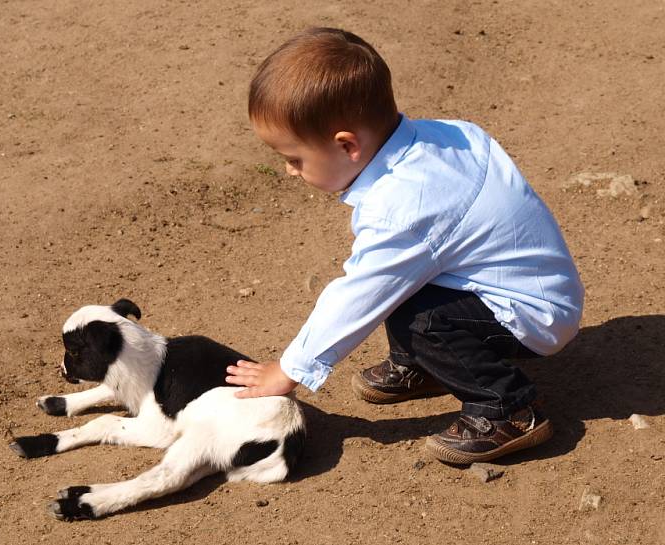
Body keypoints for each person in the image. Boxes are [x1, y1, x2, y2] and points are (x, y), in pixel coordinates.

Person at [225, 27, 584, 464]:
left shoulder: (404, 209)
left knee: (422, 319)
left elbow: (358, 296)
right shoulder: (446, 135)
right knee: (409, 288)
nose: (289, 171)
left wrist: (290, 368)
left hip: (530, 313)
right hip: (529, 284)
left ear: (347, 145)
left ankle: (509, 408)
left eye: (295, 158)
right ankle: (429, 364)